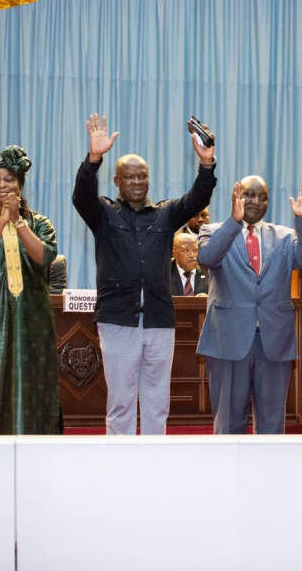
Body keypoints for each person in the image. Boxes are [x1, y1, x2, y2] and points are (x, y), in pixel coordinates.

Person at [72, 113, 217, 435]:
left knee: (156, 402)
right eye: (129, 177)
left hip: (158, 319)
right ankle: (119, 468)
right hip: (117, 319)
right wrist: (94, 158)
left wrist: (207, 164)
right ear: (117, 181)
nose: (137, 182)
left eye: (142, 176)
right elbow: (81, 196)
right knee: (121, 401)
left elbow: (199, 198)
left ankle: (155, 466)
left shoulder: (166, 215)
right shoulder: (104, 214)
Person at [196, 176, 302, 434]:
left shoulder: (285, 236)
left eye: (263, 197)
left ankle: (268, 474)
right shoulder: (214, 230)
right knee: (229, 422)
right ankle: (228, 473)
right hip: (228, 339)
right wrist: (233, 222)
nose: (256, 202)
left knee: (273, 424)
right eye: (249, 195)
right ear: (236, 196)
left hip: (274, 340)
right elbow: (207, 258)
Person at [0, 145, 61, 434]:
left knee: (35, 381)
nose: (2, 184)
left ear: (20, 186)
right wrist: (1, 221)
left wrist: (18, 221)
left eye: (9, 179)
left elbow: (45, 258)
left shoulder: (39, 223)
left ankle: (39, 444)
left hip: (34, 318)